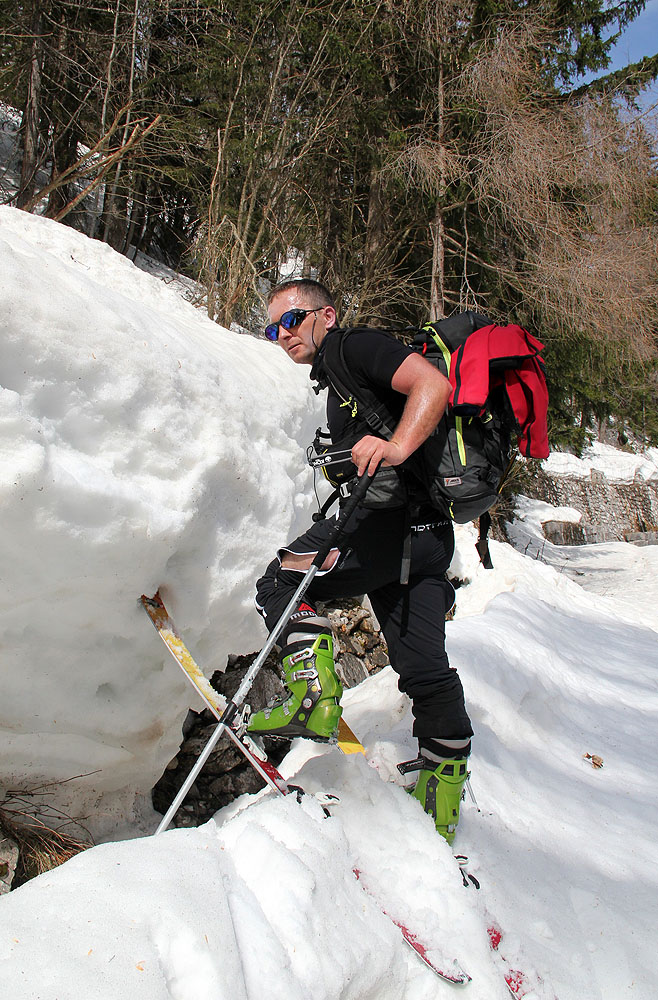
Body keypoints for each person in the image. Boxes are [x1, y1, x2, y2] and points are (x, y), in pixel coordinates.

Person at [248, 278, 473, 843]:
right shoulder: (340, 377)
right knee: (423, 666)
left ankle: (312, 698)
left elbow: (434, 384)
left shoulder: (354, 348)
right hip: (426, 539)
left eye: (292, 320)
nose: (282, 335)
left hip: (382, 531)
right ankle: (442, 803)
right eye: (273, 327)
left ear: (325, 314)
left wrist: (394, 446)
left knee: (281, 582)